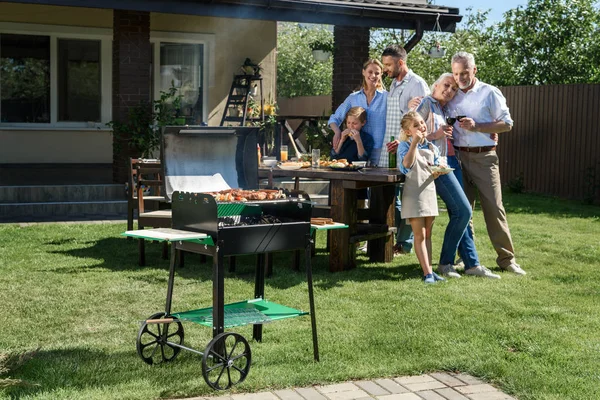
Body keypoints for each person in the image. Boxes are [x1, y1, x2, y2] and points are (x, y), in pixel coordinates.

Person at [447, 51, 526, 275]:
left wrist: (478, 126)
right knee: (463, 211)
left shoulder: (490, 92)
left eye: (464, 72)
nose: (460, 78)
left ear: (474, 70)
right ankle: (466, 257)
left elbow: (507, 124)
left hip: (484, 158)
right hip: (458, 158)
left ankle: (507, 259)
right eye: (456, 73)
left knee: (494, 209)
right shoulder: (452, 94)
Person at [416, 73, 500, 279]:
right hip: (435, 166)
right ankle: (447, 263)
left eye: (454, 89)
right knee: (462, 210)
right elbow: (411, 133)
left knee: (462, 212)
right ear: (435, 85)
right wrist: (433, 136)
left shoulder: (445, 109)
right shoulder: (426, 103)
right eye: (446, 85)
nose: (450, 90)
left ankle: (470, 264)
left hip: (450, 162)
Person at [379, 45, 430, 255]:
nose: (386, 69)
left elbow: (421, 118)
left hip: (410, 149)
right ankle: (394, 239)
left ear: (401, 63)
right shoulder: (393, 83)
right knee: (394, 196)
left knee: (409, 197)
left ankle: (405, 243)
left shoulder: (417, 84)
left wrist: (409, 109)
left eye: (389, 64)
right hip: (393, 147)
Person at [397, 111, 447, 284]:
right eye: (416, 125)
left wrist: (439, 170)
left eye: (421, 123)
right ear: (408, 131)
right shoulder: (404, 146)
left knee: (428, 235)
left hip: (429, 192)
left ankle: (430, 271)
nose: (421, 127)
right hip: (414, 194)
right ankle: (427, 274)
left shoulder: (432, 147)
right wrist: (414, 145)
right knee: (420, 235)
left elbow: (434, 169)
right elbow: (406, 166)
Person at [328, 59, 387, 165]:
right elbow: (334, 118)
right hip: (357, 152)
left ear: (381, 74)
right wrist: (337, 132)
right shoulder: (353, 98)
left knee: (378, 180)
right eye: (370, 72)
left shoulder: (387, 97)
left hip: (380, 150)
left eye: (377, 73)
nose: (373, 75)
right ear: (363, 72)